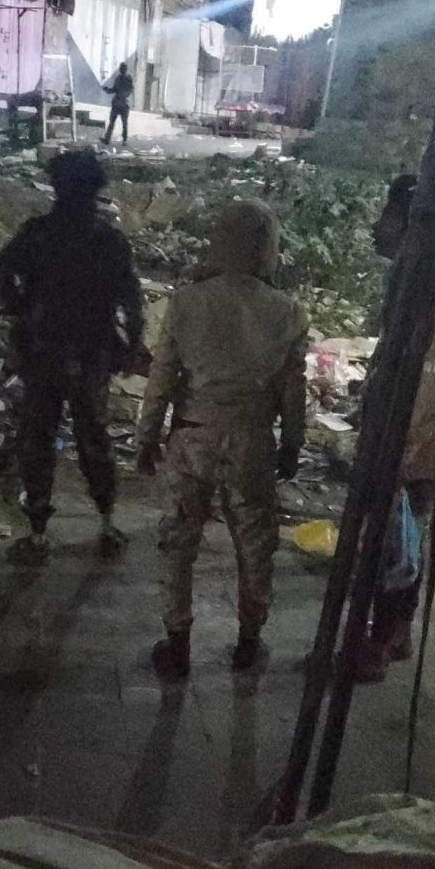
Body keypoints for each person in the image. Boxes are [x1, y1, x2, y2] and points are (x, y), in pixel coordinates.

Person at [136, 199, 307, 678]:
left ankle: (177, 644)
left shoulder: (186, 303)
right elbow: (293, 390)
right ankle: (248, 643)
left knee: (178, 542)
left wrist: (147, 436)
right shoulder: (287, 312)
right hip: (252, 441)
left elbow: (162, 377)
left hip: (192, 437)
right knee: (255, 546)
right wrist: (292, 445)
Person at [0, 148, 143, 565]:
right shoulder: (109, 241)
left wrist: (20, 309)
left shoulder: (38, 234)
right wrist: (131, 345)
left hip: (43, 348)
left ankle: (38, 533)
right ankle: (107, 524)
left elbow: (4, 271)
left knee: (38, 438)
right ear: (96, 190)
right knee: (93, 436)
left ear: (56, 188)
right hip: (90, 351)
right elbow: (132, 300)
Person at [354, 173, 435, 682]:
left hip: (412, 446)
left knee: (390, 548)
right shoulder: (424, 289)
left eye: (388, 217)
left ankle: (377, 644)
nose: (378, 227)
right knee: (405, 540)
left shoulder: (427, 298)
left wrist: (398, 450)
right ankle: (395, 635)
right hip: (420, 445)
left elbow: (427, 380)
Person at [103, 63, 133, 145]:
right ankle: (107, 139)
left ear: (125, 69)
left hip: (123, 104)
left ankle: (124, 140)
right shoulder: (118, 78)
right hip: (117, 103)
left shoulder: (128, 78)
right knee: (112, 122)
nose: (122, 70)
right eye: (121, 68)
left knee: (124, 123)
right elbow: (115, 89)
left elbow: (130, 90)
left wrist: (122, 95)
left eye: (123, 68)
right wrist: (107, 90)